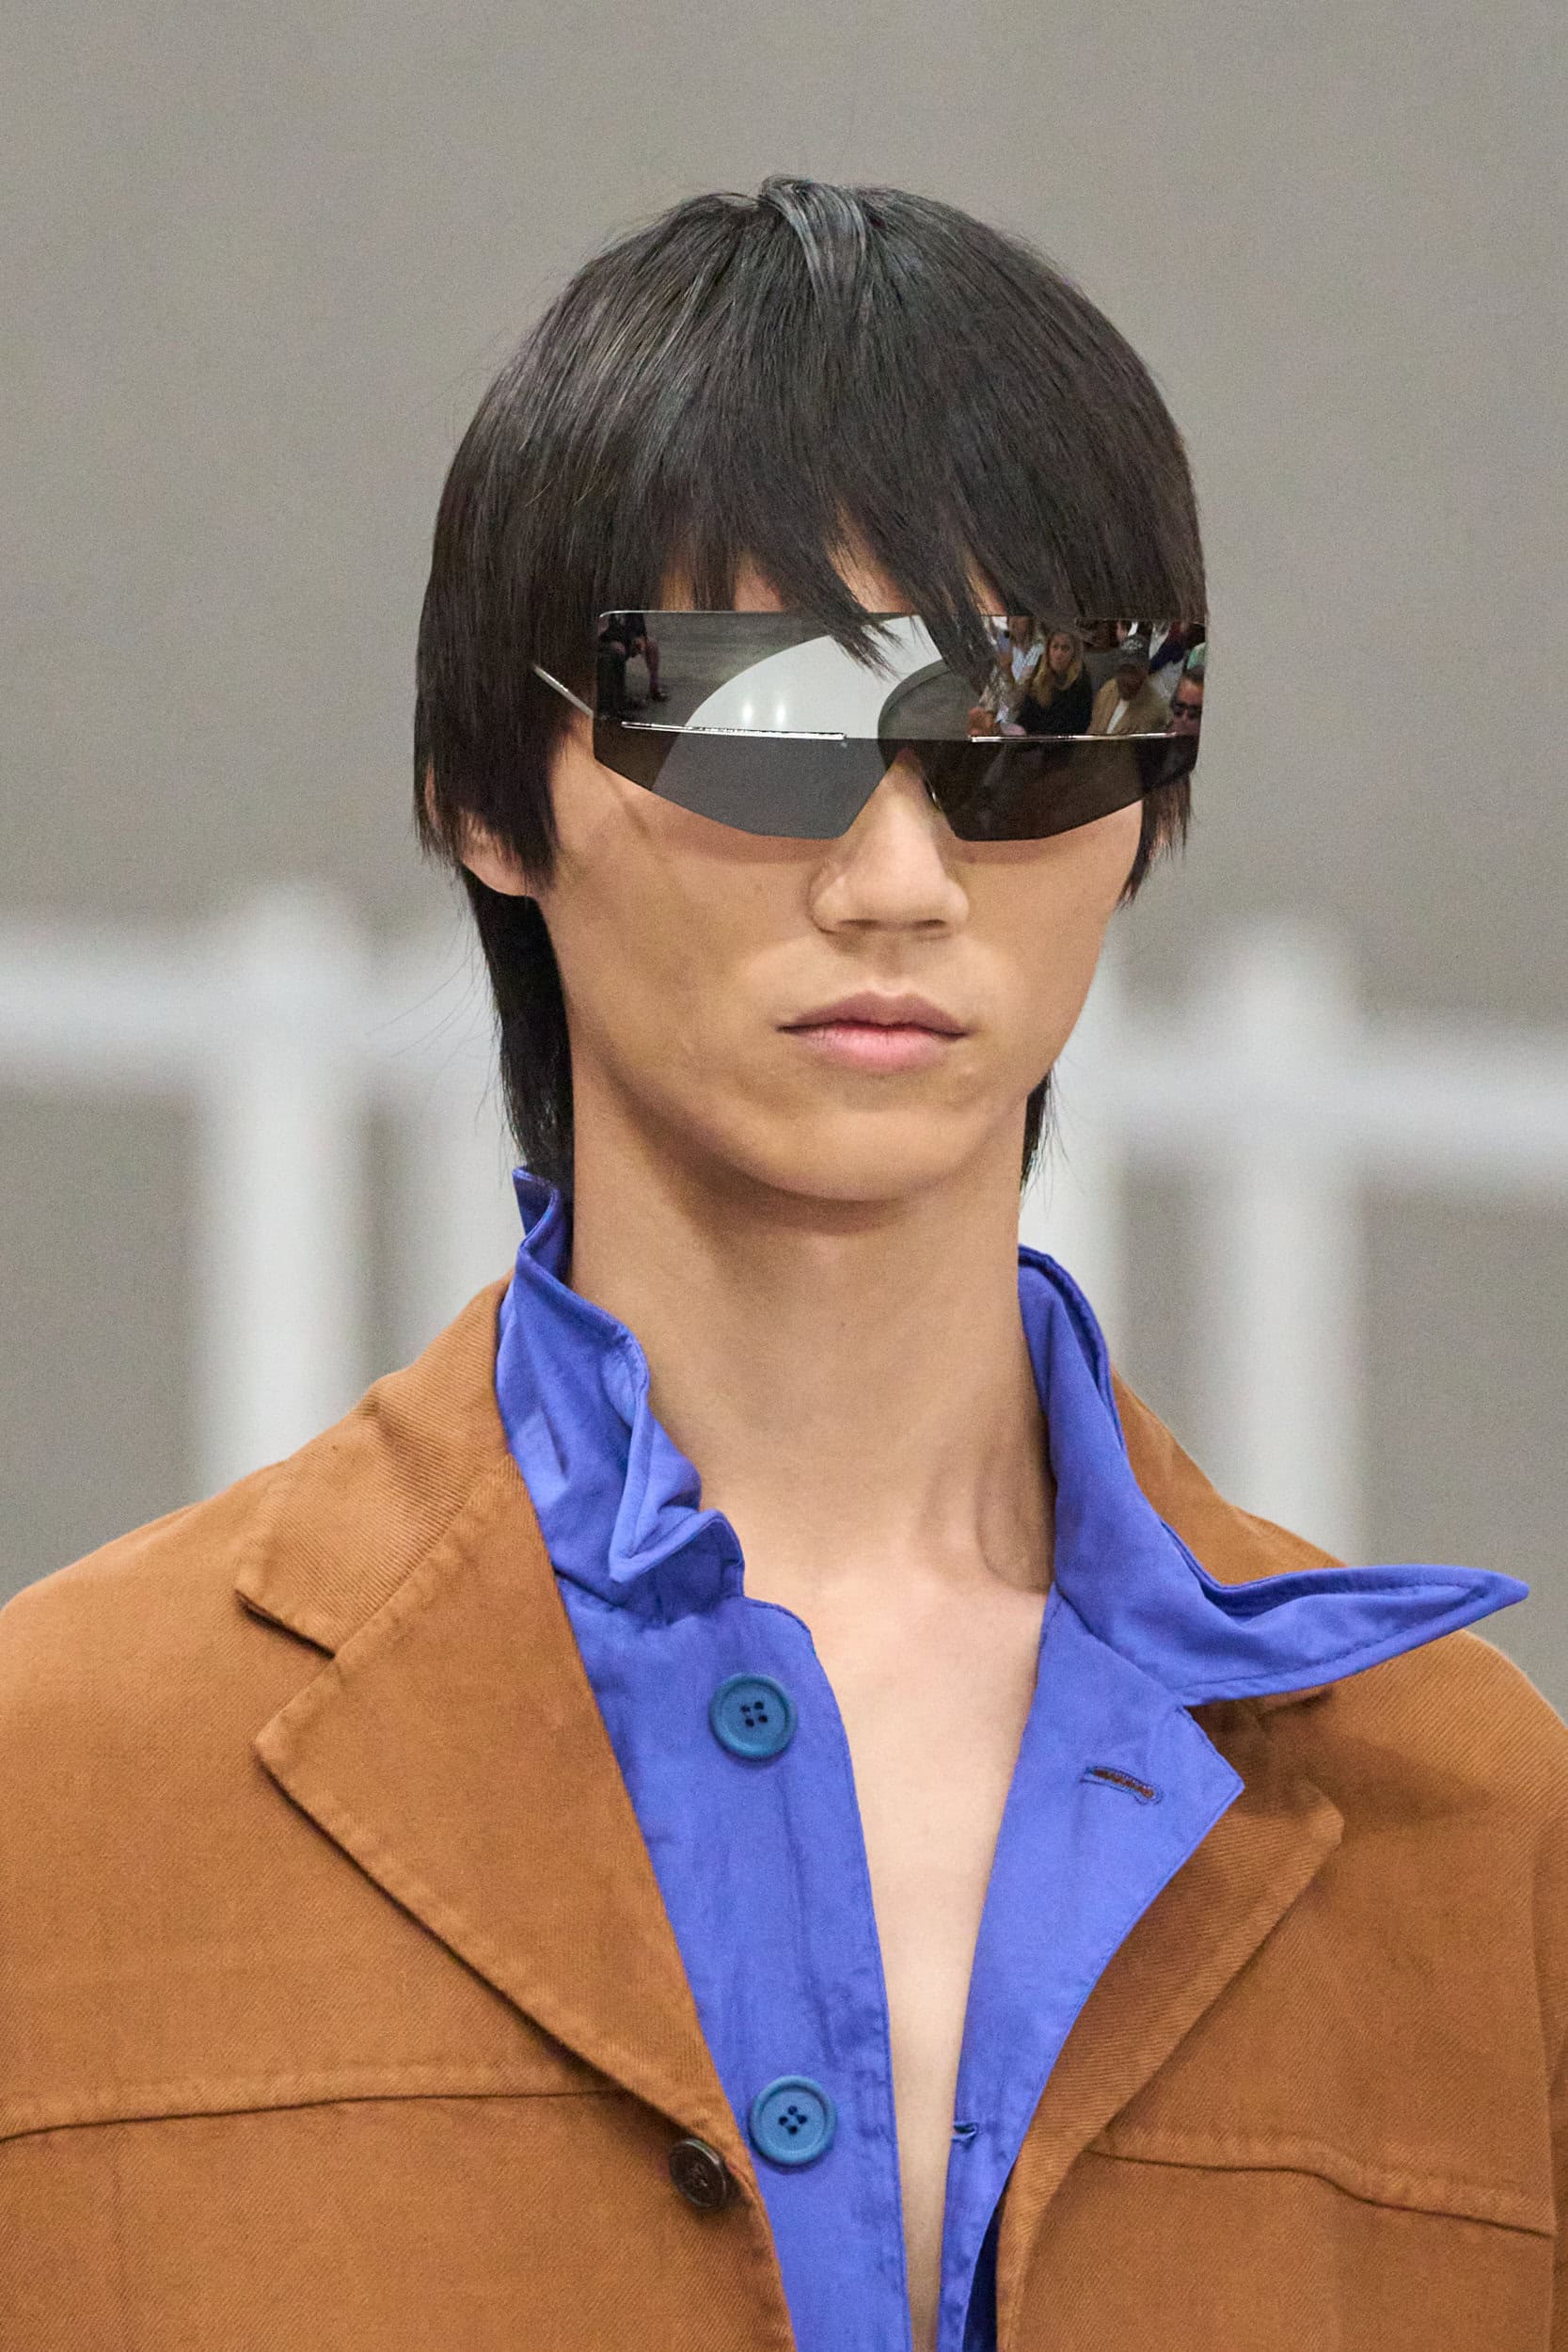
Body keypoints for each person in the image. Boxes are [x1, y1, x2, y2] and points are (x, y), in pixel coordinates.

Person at [2, 175, 1564, 2352]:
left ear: (1149, 794)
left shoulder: (1479, 1840)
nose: (898, 873)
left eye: (1038, 726)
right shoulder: (61, 1799)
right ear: (485, 789)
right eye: (759, 721)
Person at [1016, 622, 1094, 735]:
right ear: (1048, 650)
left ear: (1073, 654)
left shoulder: (1081, 680)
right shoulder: (1040, 669)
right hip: (1035, 738)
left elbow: (1078, 724)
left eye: (1065, 648)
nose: (1059, 654)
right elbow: (1026, 713)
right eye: (1055, 647)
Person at [1088, 633, 1173, 736]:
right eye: (1122, 670)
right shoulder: (1107, 691)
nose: (1126, 679)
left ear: (1145, 671)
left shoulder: (1156, 711)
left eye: (1132, 672)